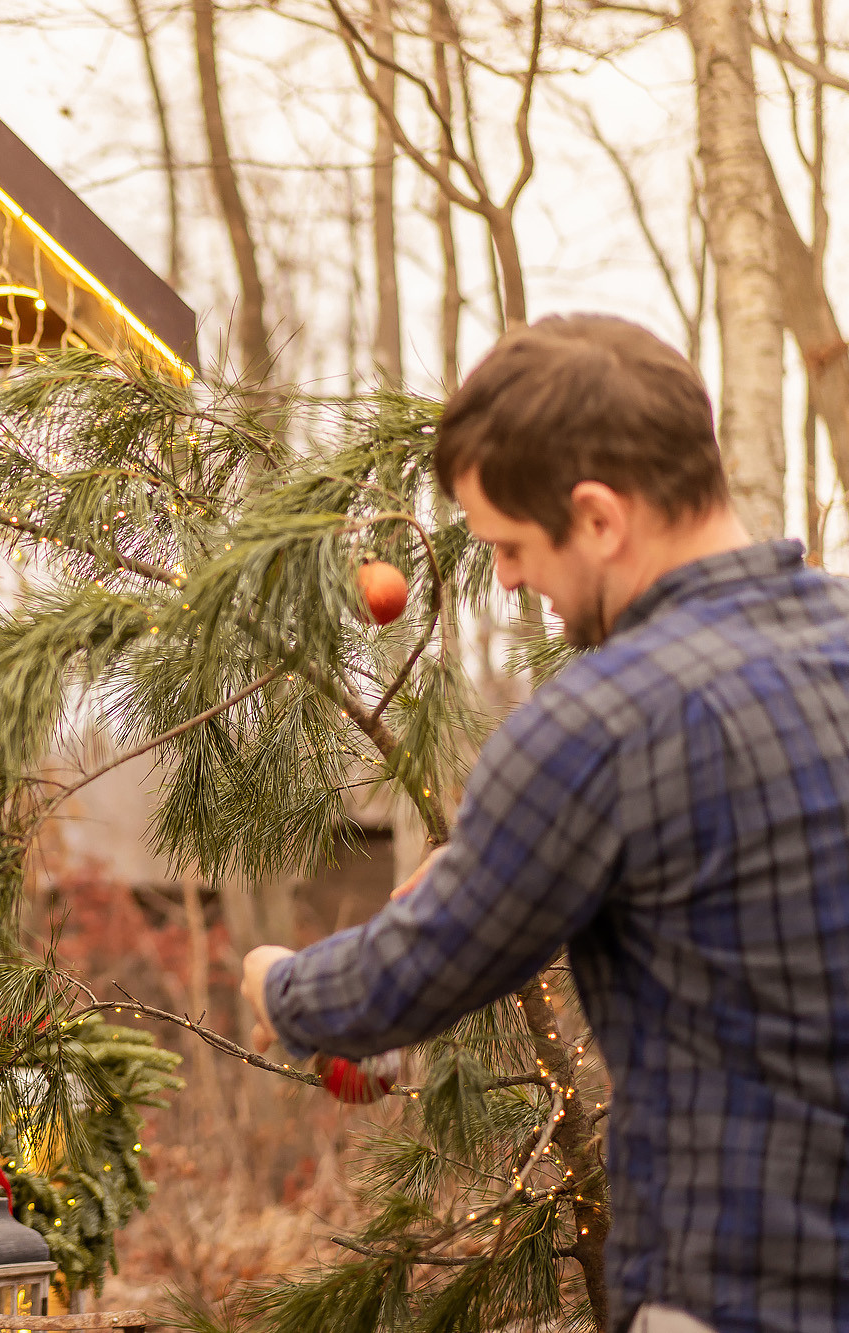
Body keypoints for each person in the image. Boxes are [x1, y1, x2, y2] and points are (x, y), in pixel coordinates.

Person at [240, 315, 849, 1333]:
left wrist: (282, 985)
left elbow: (418, 971)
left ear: (598, 517)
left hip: (737, 1292)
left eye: (511, 546)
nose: (512, 579)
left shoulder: (602, 722)